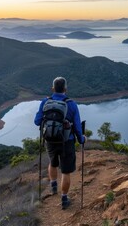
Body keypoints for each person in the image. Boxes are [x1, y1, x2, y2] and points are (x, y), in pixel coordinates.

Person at [34, 76, 86, 210]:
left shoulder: (45, 101)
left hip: (50, 140)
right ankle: (64, 199)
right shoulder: (71, 104)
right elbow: (77, 128)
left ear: (52, 88)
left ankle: (53, 186)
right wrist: (82, 139)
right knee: (66, 171)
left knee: (52, 162)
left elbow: (37, 121)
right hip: (66, 142)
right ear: (65, 89)